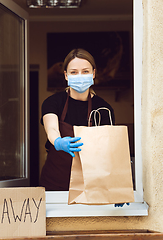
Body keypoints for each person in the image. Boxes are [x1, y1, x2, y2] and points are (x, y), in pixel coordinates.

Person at [39, 48, 115, 191]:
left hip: (91, 185)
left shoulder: (103, 108)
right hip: (55, 183)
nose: (79, 75)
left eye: (85, 71)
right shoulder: (53, 102)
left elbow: (108, 151)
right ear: (66, 75)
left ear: (93, 73)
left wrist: (115, 186)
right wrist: (58, 141)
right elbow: (52, 128)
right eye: (74, 72)